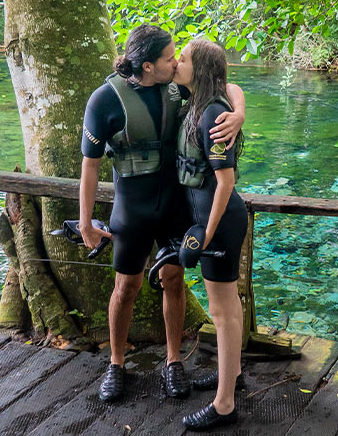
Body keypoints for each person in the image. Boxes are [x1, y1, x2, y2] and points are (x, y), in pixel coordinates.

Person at [78, 24, 245, 404]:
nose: (176, 63)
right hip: (132, 209)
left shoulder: (177, 87)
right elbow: (89, 166)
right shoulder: (104, 100)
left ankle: (173, 362)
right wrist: (86, 221)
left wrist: (239, 114)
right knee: (126, 287)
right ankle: (117, 364)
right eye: (170, 58)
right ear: (149, 66)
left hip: (174, 206)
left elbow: (225, 85)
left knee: (173, 280)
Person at [172, 39, 249, 431]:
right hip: (213, 222)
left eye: (182, 59)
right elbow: (233, 86)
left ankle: (224, 404)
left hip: (219, 222)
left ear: (198, 69)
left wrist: (206, 232)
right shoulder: (196, 102)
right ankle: (231, 376)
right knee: (228, 307)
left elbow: (224, 181)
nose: (176, 63)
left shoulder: (211, 115)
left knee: (220, 312)